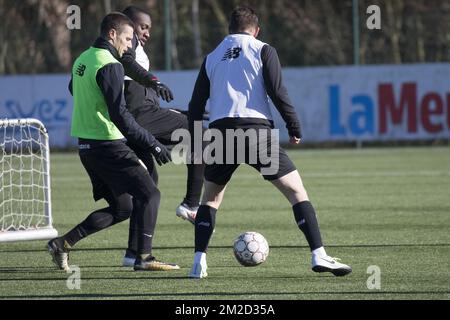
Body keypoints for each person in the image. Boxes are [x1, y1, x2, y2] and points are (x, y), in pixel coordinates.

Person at [187, 6, 352, 278]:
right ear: (257, 29)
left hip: (220, 133)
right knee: (297, 193)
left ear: (229, 29)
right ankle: (318, 254)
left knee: (210, 201)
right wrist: (294, 125)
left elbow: (195, 105)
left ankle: (198, 262)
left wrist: (195, 140)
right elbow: (277, 90)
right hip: (255, 131)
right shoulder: (263, 49)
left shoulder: (212, 57)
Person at [47, 12, 179, 272]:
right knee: (150, 193)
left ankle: (63, 243)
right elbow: (121, 116)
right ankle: (143, 257)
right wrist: (152, 142)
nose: (129, 45)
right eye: (127, 39)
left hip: (86, 147)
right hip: (108, 144)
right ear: (112, 34)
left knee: (122, 207)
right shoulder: (111, 64)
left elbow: (74, 89)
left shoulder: (83, 59)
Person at [118, 6, 206, 267]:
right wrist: (154, 80)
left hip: (140, 117)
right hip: (140, 118)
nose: (145, 33)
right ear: (129, 25)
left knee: (148, 186)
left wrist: (177, 111)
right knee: (199, 132)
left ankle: (133, 253)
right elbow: (128, 63)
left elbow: (139, 94)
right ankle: (191, 204)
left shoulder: (133, 48)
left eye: (148, 29)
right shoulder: (127, 39)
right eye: (142, 26)